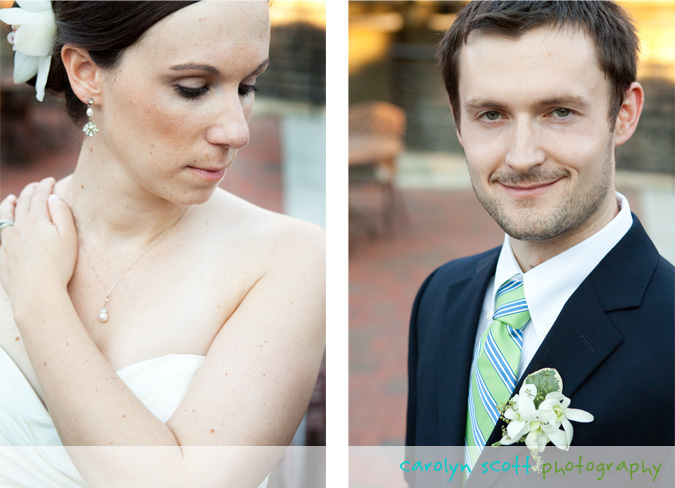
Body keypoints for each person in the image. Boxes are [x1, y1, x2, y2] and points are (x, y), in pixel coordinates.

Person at [0, 1, 325, 487]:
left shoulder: (290, 259)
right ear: (87, 73)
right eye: (193, 88)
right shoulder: (13, 235)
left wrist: (39, 299)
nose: (237, 130)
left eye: (247, 86)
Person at [406, 0, 674, 477]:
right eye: (491, 115)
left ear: (625, 113)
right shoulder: (439, 297)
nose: (522, 156)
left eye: (560, 112)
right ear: (458, 122)